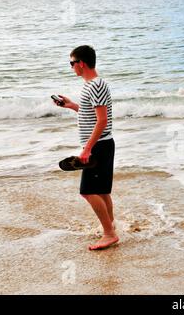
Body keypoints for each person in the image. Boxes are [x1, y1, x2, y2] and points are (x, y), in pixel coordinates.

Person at [55, 45, 118, 250]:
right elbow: (90, 114)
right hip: (102, 144)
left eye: (72, 63)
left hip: (98, 146)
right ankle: (111, 227)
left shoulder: (95, 85)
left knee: (88, 191)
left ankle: (109, 234)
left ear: (81, 63)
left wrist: (87, 149)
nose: (71, 67)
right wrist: (71, 105)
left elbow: (101, 120)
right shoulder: (93, 85)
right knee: (101, 191)